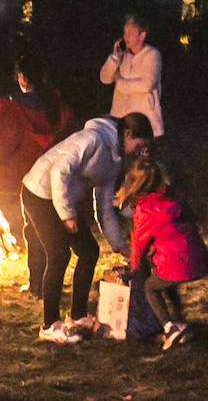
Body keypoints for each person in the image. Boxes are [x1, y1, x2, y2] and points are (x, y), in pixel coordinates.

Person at [20, 112, 155, 344]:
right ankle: (49, 325)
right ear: (128, 133)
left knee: (89, 251)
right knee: (59, 255)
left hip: (64, 201)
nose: (137, 152)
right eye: (138, 145)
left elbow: (104, 208)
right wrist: (66, 215)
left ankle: (78, 315)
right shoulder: (92, 139)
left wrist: (120, 245)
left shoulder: (113, 161)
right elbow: (59, 171)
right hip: (40, 192)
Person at [0, 58, 76, 295]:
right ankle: (46, 281)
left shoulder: (15, 109)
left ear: (22, 78)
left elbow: (3, 145)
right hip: (56, 174)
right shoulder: (56, 105)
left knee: (34, 231)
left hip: (29, 177)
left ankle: (38, 285)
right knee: (47, 228)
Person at [115, 158, 208, 351]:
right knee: (167, 283)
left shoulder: (145, 209)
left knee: (150, 287)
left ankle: (170, 327)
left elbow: (139, 242)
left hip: (176, 261)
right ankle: (180, 320)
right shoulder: (175, 197)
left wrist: (134, 267)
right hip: (197, 257)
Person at [100, 12, 163, 137]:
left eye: (130, 33)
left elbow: (145, 86)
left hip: (144, 121)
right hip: (121, 119)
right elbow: (105, 79)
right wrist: (114, 57)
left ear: (142, 35)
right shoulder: (123, 55)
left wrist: (120, 81)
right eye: (125, 32)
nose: (125, 37)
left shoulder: (152, 55)